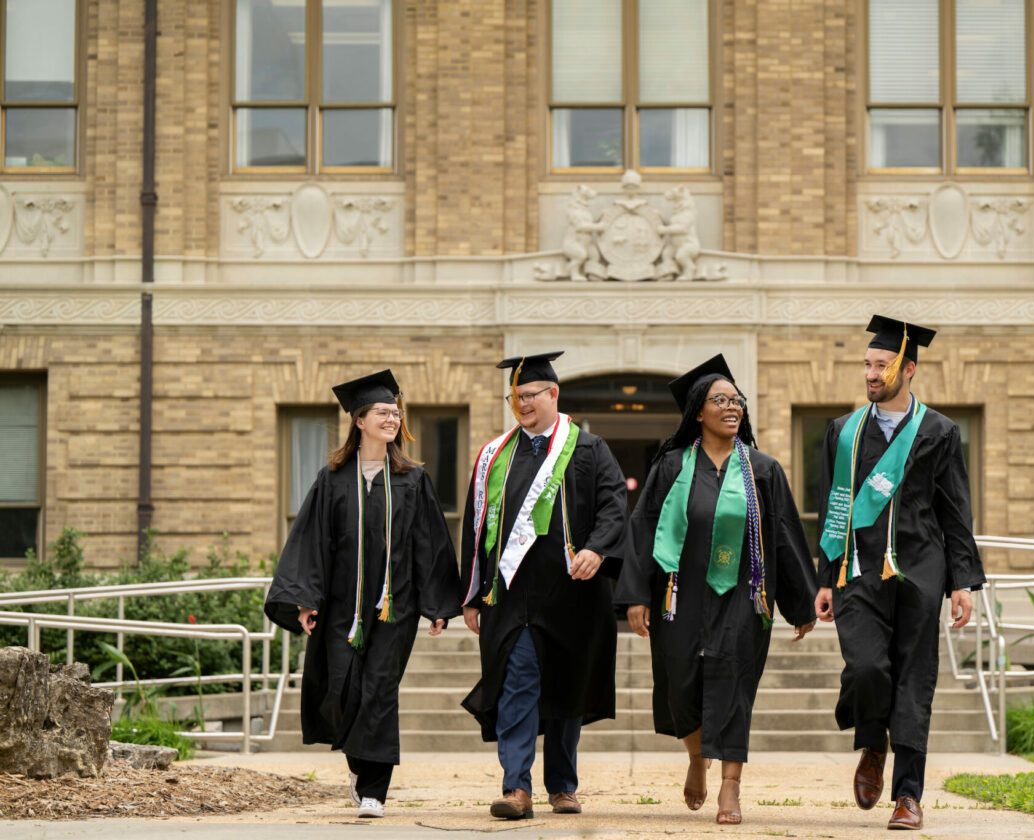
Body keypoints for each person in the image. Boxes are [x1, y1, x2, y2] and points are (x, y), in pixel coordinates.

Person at [615, 355, 818, 826]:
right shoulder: (670, 467)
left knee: (733, 686)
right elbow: (642, 529)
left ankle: (730, 785)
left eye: (736, 400)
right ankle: (694, 756)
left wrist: (801, 600)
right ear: (697, 412)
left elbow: (786, 533)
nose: (732, 407)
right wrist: (637, 595)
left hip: (743, 599)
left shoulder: (762, 470)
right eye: (720, 400)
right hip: (678, 596)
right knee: (680, 685)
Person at [265, 369, 463, 819]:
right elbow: (312, 540)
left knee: (378, 690)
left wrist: (436, 605)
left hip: (396, 606)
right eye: (382, 412)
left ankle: (374, 789)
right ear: (360, 420)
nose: (391, 419)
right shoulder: (333, 478)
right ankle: (359, 766)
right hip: (341, 607)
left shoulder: (412, 478)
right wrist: (305, 599)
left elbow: (430, 544)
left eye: (395, 413)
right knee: (342, 689)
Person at [813, 317, 986, 831]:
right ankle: (872, 741)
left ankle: (908, 794)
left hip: (920, 569)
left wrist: (962, 582)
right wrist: (825, 576)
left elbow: (955, 510)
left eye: (881, 365)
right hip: (858, 570)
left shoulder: (939, 431)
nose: (871, 373)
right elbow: (833, 507)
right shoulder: (843, 432)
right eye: (867, 364)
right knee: (866, 667)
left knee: (914, 678)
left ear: (907, 369)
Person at [459, 351, 628, 820]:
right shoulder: (496, 456)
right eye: (514, 397)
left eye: (529, 395)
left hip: (572, 595)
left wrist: (597, 549)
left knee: (566, 691)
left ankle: (562, 785)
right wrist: (473, 592)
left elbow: (615, 507)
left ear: (553, 393)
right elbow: (477, 528)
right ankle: (516, 787)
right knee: (517, 684)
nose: (521, 405)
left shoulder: (589, 449)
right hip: (512, 597)